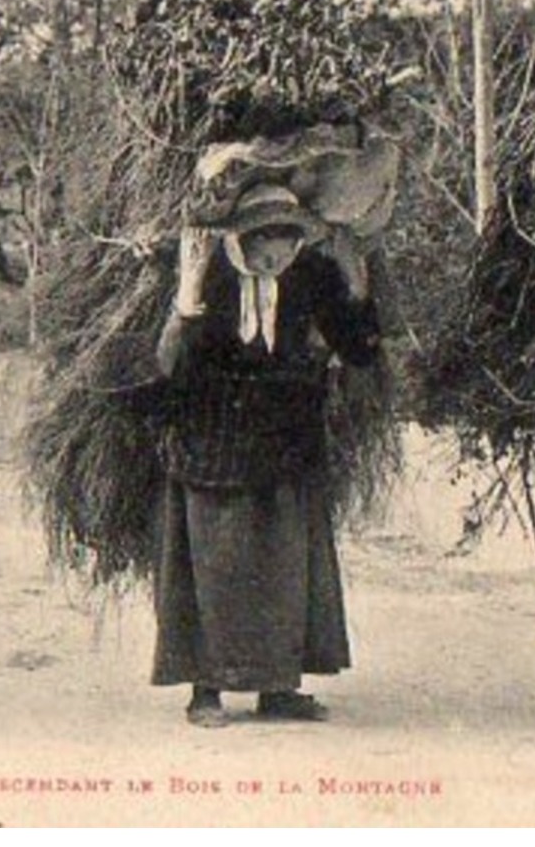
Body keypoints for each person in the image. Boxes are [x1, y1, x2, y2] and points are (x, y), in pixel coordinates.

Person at [152, 183, 382, 727]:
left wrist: (357, 284)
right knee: (215, 564)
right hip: (212, 437)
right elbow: (169, 369)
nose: (278, 251)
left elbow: (359, 351)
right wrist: (186, 301)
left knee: (283, 565)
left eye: (289, 237)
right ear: (241, 236)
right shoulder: (206, 273)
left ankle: (278, 686)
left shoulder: (311, 276)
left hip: (286, 437)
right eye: (267, 237)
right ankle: (205, 689)